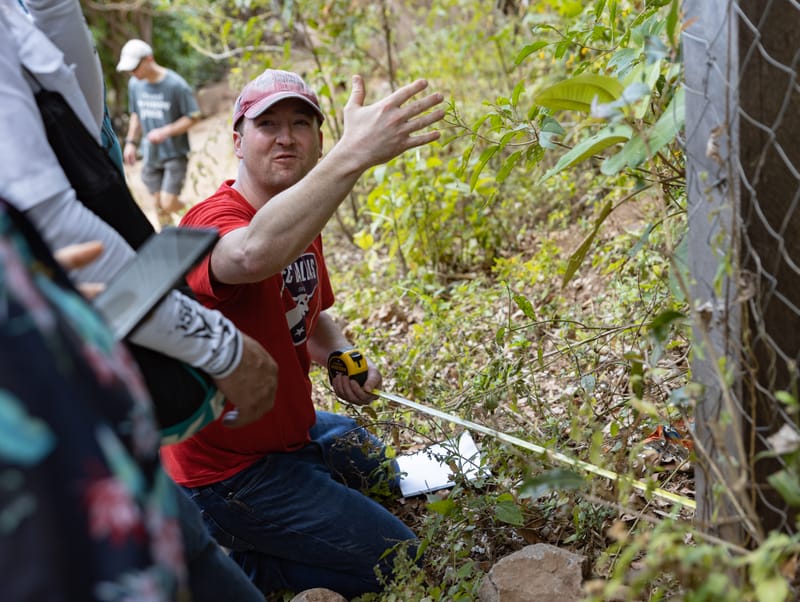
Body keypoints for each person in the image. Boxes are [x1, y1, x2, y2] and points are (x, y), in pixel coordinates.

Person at [160, 68, 445, 598]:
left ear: (317, 140)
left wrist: (340, 353)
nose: (286, 136)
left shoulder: (296, 215)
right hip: (227, 471)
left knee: (377, 465)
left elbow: (307, 315)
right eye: (268, 124)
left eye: (300, 123)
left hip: (289, 429)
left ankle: (305, 499)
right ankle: (243, 564)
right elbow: (249, 254)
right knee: (400, 558)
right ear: (239, 141)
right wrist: (353, 155)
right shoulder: (212, 221)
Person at [117, 38, 202, 227]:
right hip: (151, 154)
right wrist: (130, 142)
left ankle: (203, 216)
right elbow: (136, 114)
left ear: (148, 59)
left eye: (135, 67)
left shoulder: (176, 85)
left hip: (174, 153)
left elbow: (194, 116)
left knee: (168, 202)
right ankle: (173, 246)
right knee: (158, 206)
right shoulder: (135, 85)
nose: (132, 73)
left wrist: (166, 131)